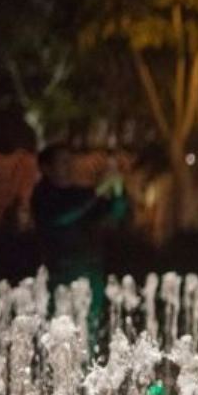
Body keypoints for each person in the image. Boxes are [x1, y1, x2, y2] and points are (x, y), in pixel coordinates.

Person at [31, 143, 127, 336]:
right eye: (62, 162)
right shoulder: (42, 194)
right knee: (60, 334)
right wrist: (98, 191)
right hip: (59, 274)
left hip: (91, 273)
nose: (69, 166)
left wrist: (117, 188)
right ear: (46, 167)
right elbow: (60, 218)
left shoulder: (82, 193)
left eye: (70, 161)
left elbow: (115, 213)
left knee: (89, 330)